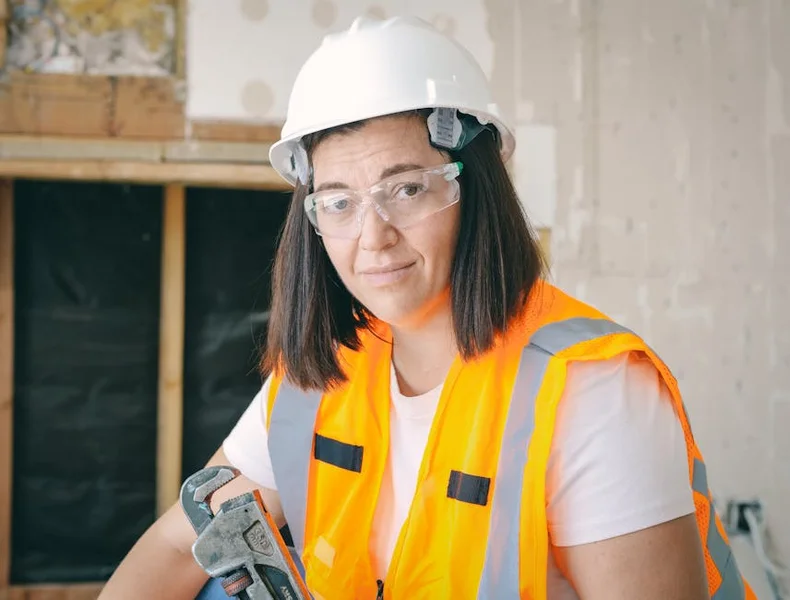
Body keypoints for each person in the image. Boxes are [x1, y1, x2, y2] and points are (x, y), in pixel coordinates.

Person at [101, 15, 755, 600]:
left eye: (407, 188)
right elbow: (177, 541)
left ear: (479, 188)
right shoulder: (325, 372)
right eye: (338, 201)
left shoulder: (591, 391)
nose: (373, 235)